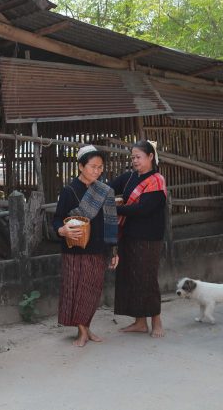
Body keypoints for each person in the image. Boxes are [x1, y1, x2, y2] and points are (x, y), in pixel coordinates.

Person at [53, 145, 119, 347]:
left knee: (92, 290)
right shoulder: (69, 191)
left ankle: (87, 328)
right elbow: (57, 220)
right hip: (75, 250)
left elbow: (110, 223)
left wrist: (114, 251)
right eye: (93, 166)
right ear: (81, 166)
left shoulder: (105, 191)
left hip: (98, 249)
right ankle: (82, 331)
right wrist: (62, 231)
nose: (97, 171)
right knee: (76, 290)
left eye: (100, 167)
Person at [110, 140, 167, 338]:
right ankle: (140, 322)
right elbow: (108, 188)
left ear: (150, 156)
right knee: (130, 278)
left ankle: (156, 321)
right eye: (132, 157)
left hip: (149, 237)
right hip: (129, 234)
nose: (134, 160)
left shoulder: (157, 180)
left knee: (147, 278)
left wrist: (114, 209)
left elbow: (144, 209)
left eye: (138, 157)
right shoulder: (129, 177)